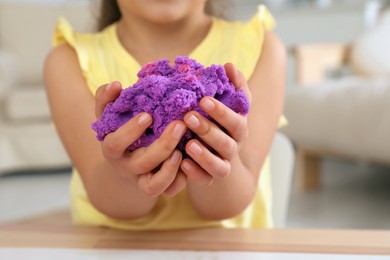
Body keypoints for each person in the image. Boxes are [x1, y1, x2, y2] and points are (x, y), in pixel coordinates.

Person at [44, 0, 287, 230]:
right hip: (112, 246)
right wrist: (126, 172)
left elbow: (228, 206)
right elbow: (111, 203)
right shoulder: (69, 59)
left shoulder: (261, 47)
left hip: (228, 246)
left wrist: (222, 158)